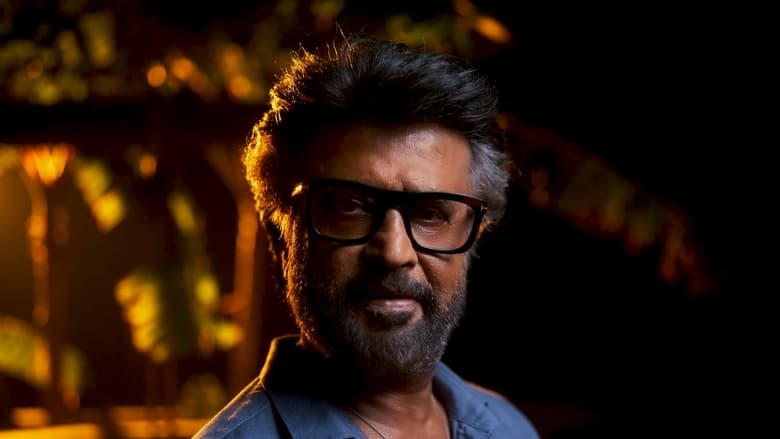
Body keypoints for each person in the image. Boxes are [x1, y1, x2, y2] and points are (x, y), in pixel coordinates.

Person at [193, 33, 540, 439]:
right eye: (350, 208)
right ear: (282, 238)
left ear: (474, 237)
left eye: (431, 214)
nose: (393, 252)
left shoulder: (509, 428)